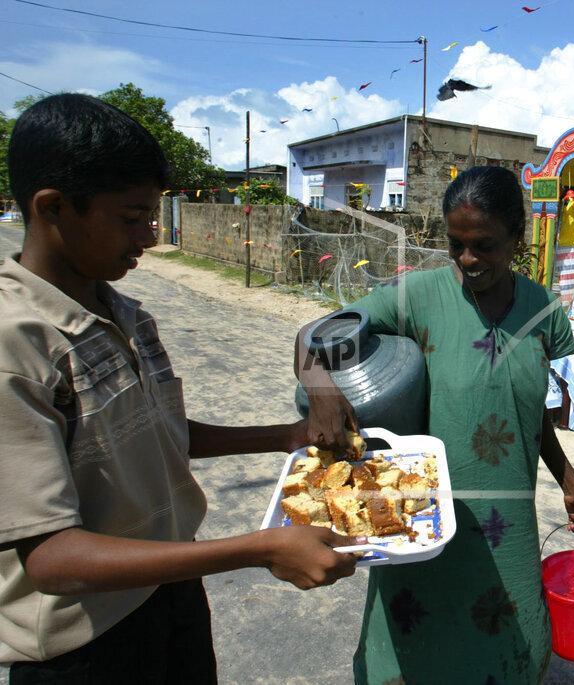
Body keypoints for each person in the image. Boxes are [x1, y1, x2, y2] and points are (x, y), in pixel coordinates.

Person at [0, 94, 362, 682]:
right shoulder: (15, 344)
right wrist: (260, 547)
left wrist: (289, 436)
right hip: (85, 646)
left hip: (170, 594)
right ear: (54, 208)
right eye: (131, 217)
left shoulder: (126, 313)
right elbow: (50, 559)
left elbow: (157, 434)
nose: (149, 235)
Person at [296, 166, 574, 683]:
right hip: (426, 515)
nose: (468, 259)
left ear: (518, 238)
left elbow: (526, 410)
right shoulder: (417, 296)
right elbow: (314, 334)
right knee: (417, 645)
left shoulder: (544, 311)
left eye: (484, 245)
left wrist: (570, 485)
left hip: (507, 517)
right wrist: (321, 388)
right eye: (456, 243)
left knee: (514, 641)